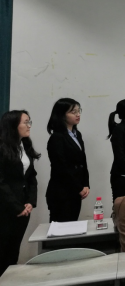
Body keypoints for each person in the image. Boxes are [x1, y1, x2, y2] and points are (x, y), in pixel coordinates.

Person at [0, 110, 40, 276]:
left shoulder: (25, 145)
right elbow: (1, 182)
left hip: (23, 206)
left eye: (29, 121)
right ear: (13, 125)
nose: (29, 125)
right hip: (6, 207)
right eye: (25, 122)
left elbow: (31, 177)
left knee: (14, 248)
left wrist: (30, 201)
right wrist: (16, 206)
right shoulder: (2, 148)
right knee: (3, 248)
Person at [46, 98, 90, 222]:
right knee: (61, 228)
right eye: (73, 112)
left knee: (73, 226)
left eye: (79, 111)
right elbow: (61, 167)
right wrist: (78, 187)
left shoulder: (77, 135)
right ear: (62, 115)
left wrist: (86, 184)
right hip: (62, 192)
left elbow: (83, 162)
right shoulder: (57, 137)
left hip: (76, 190)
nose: (78, 114)